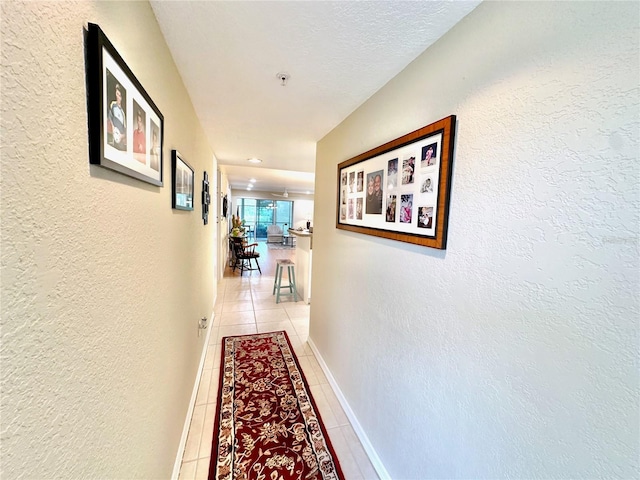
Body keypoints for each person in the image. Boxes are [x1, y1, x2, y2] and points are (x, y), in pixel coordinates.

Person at [108, 84, 126, 151]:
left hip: (120, 144)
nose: (117, 96)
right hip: (113, 141)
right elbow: (110, 117)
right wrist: (112, 127)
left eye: (119, 95)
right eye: (116, 94)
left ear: (121, 97)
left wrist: (122, 136)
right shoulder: (113, 105)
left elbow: (125, 131)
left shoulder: (123, 113)